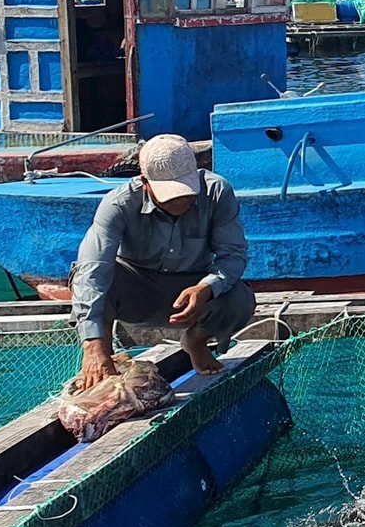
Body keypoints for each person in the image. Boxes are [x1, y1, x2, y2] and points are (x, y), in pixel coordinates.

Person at [70, 134, 254, 389]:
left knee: (240, 297)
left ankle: (196, 340)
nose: (181, 201)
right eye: (170, 194)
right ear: (145, 182)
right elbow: (92, 270)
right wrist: (92, 344)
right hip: (135, 291)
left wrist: (206, 287)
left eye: (187, 192)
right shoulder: (117, 204)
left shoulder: (217, 192)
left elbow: (233, 255)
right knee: (94, 278)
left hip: (192, 292)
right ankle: (103, 359)